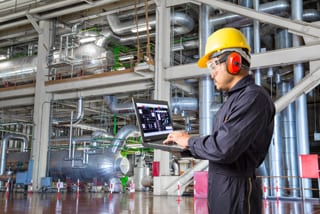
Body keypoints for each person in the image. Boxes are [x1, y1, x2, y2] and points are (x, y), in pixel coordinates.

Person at [163, 27, 275, 214]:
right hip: (222, 189)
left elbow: (224, 149)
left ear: (234, 61)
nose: (212, 73)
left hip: (237, 193)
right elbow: (219, 145)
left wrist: (189, 141)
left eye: (214, 65)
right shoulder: (233, 100)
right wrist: (183, 146)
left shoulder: (253, 98)